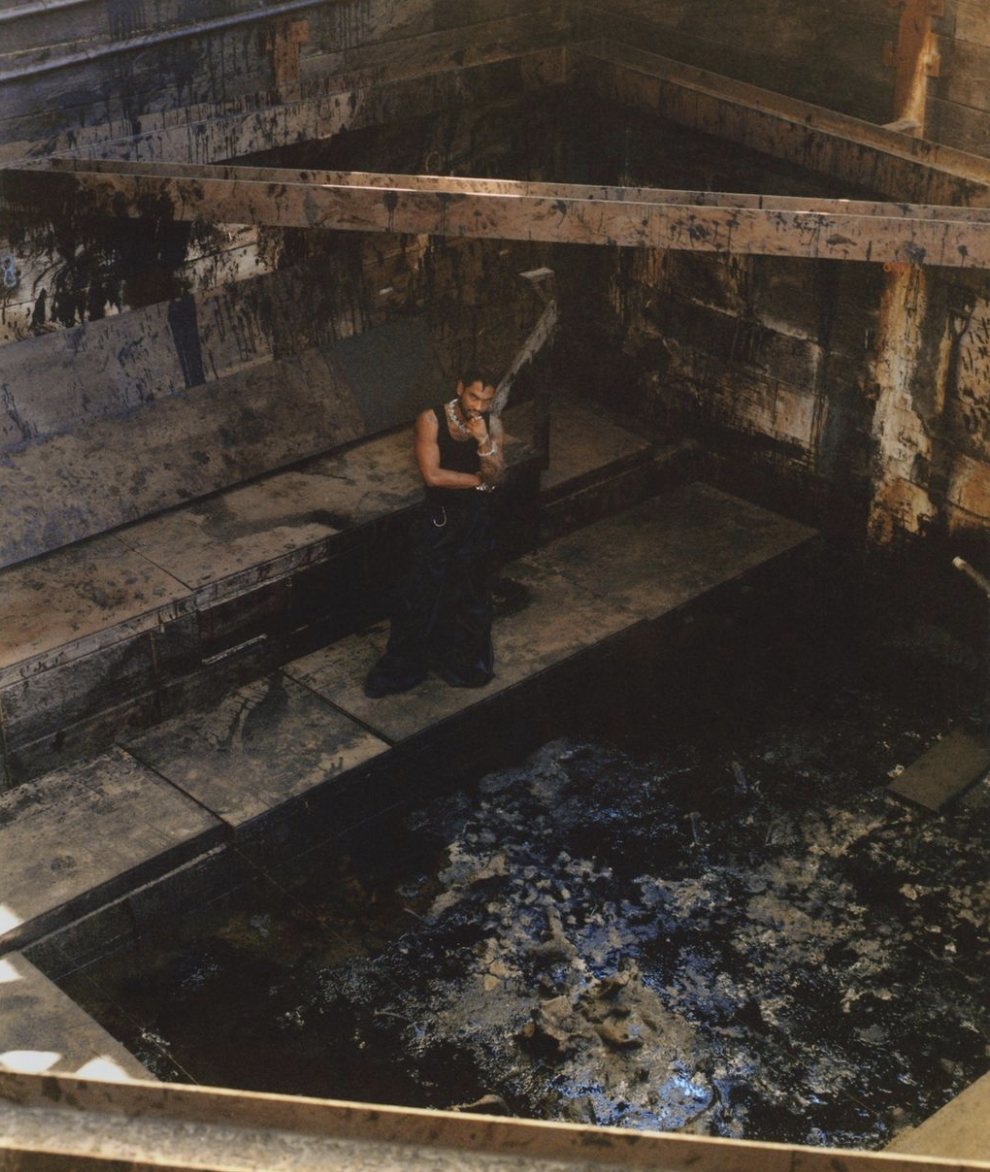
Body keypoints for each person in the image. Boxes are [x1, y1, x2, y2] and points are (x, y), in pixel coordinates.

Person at [364, 368, 505, 698]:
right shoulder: (431, 419)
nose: (479, 406)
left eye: (486, 400)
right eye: (473, 397)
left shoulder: (492, 423)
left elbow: (499, 475)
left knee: (471, 596)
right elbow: (433, 475)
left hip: (475, 519)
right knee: (420, 594)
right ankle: (405, 668)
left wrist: (483, 440)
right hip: (440, 519)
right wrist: (480, 481)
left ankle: (460, 663)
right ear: (460, 389)